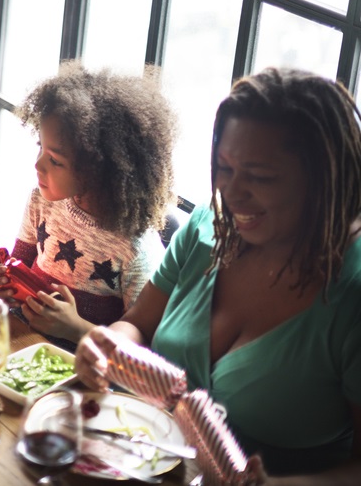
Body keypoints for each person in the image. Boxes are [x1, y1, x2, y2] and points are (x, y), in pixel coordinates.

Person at [75, 68, 361, 481]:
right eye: (224, 167)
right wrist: (108, 346)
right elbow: (137, 323)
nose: (231, 191)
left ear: (325, 181)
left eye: (260, 177)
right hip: (144, 461)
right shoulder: (208, 225)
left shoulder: (352, 297)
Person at [0, 62, 176, 347]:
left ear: (99, 170)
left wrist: (75, 328)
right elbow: (21, 266)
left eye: (55, 160)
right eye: (40, 147)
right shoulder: (42, 201)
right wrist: (10, 285)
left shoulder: (134, 247)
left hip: (84, 370)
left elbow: (139, 346)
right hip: (23, 342)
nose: (38, 164)